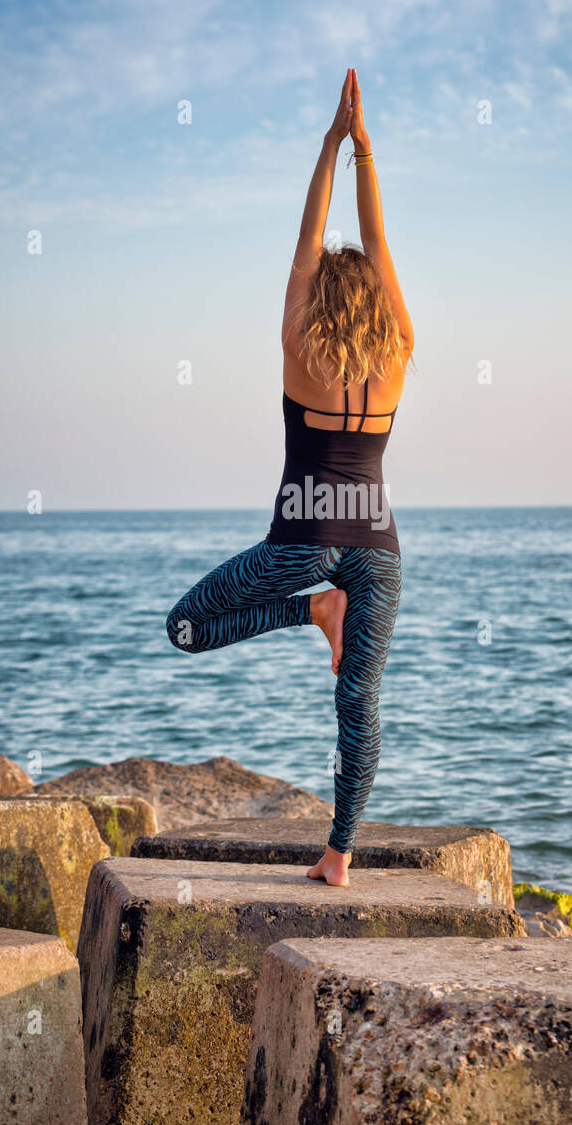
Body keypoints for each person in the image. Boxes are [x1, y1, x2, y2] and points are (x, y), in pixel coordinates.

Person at [166, 69, 414, 886]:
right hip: (376, 547)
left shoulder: (296, 343)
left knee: (186, 628)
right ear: (376, 305)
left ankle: (313, 609)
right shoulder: (400, 350)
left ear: (317, 306)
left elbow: (312, 244)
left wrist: (330, 144)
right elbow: (374, 247)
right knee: (359, 707)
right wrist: (367, 153)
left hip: (299, 545)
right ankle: (339, 856)